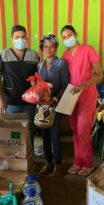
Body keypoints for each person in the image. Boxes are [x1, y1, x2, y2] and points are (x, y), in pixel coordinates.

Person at [61, 25, 103, 176]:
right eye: (64, 37)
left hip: (87, 96)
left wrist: (85, 84)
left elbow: (99, 76)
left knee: (83, 130)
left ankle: (88, 163)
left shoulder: (88, 50)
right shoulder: (64, 56)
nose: (67, 39)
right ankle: (78, 161)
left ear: (75, 34)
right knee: (74, 130)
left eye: (69, 35)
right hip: (71, 97)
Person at [0, 25, 39, 144]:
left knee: (28, 132)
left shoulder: (34, 55)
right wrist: (1, 100)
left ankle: (29, 159)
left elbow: (39, 77)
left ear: (27, 39)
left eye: (23, 37)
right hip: (10, 103)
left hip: (29, 104)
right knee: (12, 134)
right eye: (17, 37)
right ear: (12, 39)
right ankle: (15, 160)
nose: (20, 40)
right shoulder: (4, 54)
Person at [37, 34, 69, 177]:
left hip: (56, 104)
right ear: (42, 49)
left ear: (55, 48)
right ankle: (48, 162)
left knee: (54, 135)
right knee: (44, 134)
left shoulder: (61, 64)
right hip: (42, 105)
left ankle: (58, 164)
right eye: (45, 47)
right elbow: (38, 83)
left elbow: (65, 85)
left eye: (51, 46)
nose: (48, 49)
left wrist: (55, 98)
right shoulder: (40, 64)